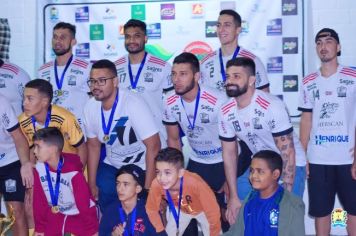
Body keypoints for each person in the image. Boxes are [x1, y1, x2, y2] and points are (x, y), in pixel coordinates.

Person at [218, 57, 306, 225]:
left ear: (252, 80)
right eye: (228, 77)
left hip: (290, 164)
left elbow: (288, 153)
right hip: (259, 165)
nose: (229, 81)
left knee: (285, 220)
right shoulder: (225, 110)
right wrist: (234, 197)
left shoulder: (271, 105)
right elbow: (229, 154)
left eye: (237, 76)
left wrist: (285, 196)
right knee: (242, 208)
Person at [299, 28, 356, 235]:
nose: (324, 46)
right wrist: (302, 155)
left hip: (347, 157)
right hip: (318, 159)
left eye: (329, 41)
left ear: (338, 47)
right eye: (319, 43)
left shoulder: (353, 76)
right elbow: (306, 119)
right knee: (321, 211)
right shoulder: (308, 82)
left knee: (354, 209)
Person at [163, 52, 229, 230]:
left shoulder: (218, 100)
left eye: (183, 74)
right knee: (184, 212)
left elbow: (233, 144)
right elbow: (174, 140)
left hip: (224, 161)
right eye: (174, 74)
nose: (176, 79)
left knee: (222, 218)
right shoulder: (170, 101)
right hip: (197, 161)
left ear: (197, 76)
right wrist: (175, 175)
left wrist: (230, 179)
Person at [83, 59, 160, 211]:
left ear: (116, 81)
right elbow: (93, 147)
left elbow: (154, 146)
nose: (95, 86)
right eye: (92, 81)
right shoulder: (90, 106)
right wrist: (91, 184)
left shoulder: (132, 103)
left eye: (101, 81)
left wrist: (148, 189)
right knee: (108, 203)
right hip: (113, 164)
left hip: (142, 165)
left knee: (142, 212)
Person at [115, 19, 172, 147]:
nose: (131, 41)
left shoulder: (163, 67)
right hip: (125, 139)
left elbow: (172, 104)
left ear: (145, 38)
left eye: (137, 36)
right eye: (128, 37)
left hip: (157, 135)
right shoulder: (115, 68)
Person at [32, 127, 98, 236]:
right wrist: (40, 228)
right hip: (55, 214)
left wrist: (92, 230)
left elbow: (84, 204)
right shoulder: (39, 169)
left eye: (38, 147)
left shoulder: (73, 171)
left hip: (79, 214)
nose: (34, 151)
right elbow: (39, 202)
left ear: (53, 149)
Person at [223, 150, 305, 236]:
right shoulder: (249, 200)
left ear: (275, 174)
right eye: (252, 171)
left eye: (260, 171)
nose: (254, 176)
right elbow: (236, 232)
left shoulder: (292, 204)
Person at [146, 147, 221, 236]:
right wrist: (160, 231)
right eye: (158, 172)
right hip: (181, 210)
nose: (161, 178)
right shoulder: (156, 184)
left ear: (180, 173)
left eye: (167, 173)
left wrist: (214, 233)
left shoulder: (195, 183)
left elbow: (213, 211)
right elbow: (151, 209)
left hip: (203, 211)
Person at [19, 79, 87, 165]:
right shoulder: (22, 121)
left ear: (44, 102)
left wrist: (77, 173)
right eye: (24, 98)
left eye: (30, 99)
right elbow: (31, 149)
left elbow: (81, 148)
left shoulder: (65, 118)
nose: (24, 103)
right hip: (44, 171)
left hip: (69, 168)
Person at [200, 9, 269, 92]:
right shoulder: (206, 62)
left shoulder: (252, 61)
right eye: (219, 25)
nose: (221, 30)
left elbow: (265, 96)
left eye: (227, 25)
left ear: (238, 30)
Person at [37, 22, 90, 127]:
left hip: (78, 129)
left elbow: (95, 101)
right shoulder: (42, 70)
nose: (57, 41)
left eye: (63, 37)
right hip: (51, 130)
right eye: (55, 37)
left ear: (73, 41)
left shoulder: (86, 68)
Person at [0, 94, 33, 236]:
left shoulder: (2, 101)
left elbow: (18, 137)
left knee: (16, 210)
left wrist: (25, 164)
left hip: (10, 161)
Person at [99, 164, 156, 236]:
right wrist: (112, 234)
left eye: (126, 184)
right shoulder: (110, 211)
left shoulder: (149, 212)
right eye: (118, 183)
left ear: (138, 188)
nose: (120, 189)